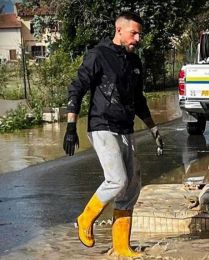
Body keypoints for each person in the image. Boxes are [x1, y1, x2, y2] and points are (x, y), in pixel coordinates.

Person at [63, 11, 164, 258]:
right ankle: (85, 219)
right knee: (117, 180)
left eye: (139, 33)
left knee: (131, 187)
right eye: (134, 32)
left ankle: (122, 248)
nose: (138, 38)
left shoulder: (134, 62)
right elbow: (77, 88)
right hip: (102, 125)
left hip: (125, 128)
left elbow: (139, 101)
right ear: (119, 30)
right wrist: (70, 126)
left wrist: (153, 128)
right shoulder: (98, 55)